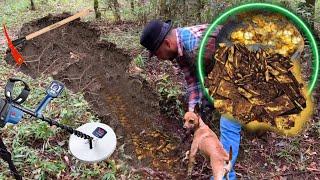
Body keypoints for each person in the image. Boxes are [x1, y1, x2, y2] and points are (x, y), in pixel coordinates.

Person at [140, 19, 242, 179]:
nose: (159, 58)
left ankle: (225, 175)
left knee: (228, 122)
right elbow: (194, 83)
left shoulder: (197, 46)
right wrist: (193, 113)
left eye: (157, 53)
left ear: (167, 43)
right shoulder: (179, 48)